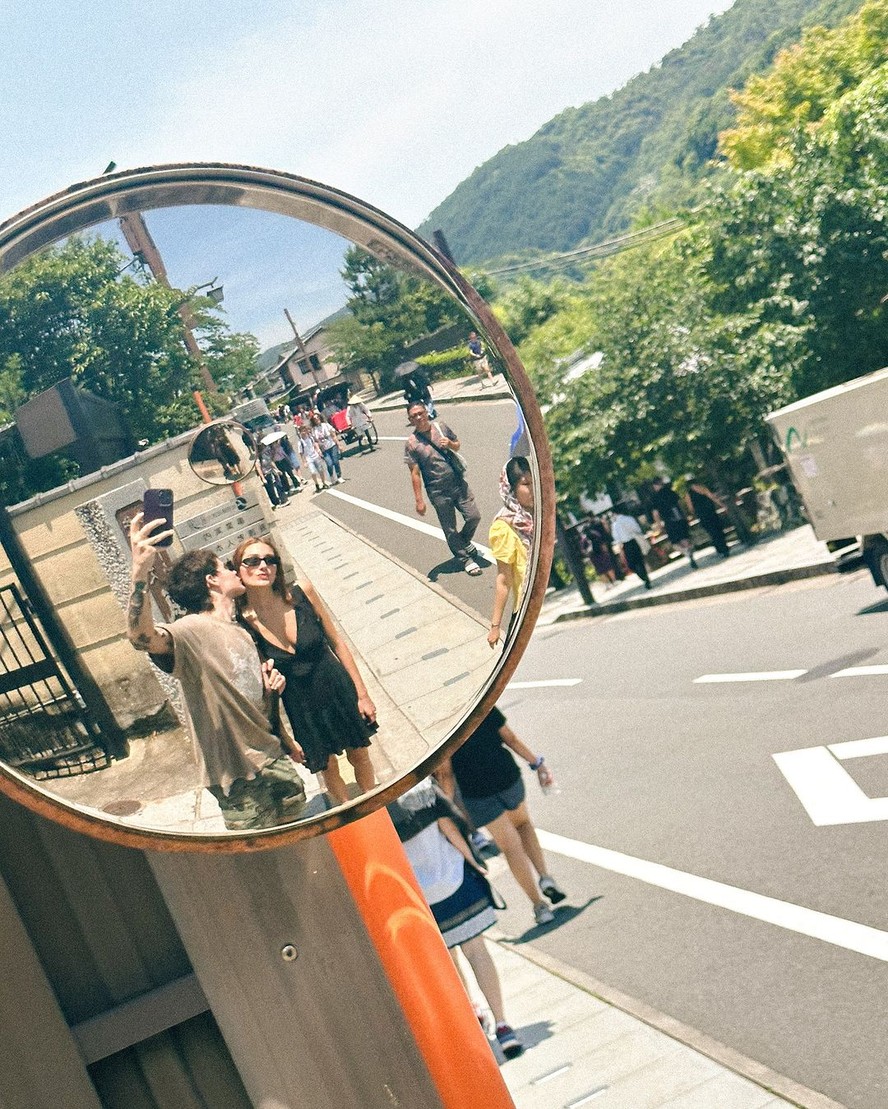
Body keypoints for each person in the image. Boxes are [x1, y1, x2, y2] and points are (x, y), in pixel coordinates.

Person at [126, 517, 307, 830]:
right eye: (225, 568)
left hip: (271, 755)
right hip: (235, 773)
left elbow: (253, 698)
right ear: (211, 581)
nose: (235, 571)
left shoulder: (241, 630)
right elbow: (141, 637)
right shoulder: (190, 631)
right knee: (265, 855)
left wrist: (283, 734)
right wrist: (140, 571)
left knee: (298, 828)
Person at [232, 536, 376, 807]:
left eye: (270, 560)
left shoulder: (301, 592)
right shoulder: (242, 623)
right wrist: (284, 736)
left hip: (335, 685)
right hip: (300, 704)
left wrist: (362, 694)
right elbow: (265, 686)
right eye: (251, 561)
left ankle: (376, 807)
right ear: (238, 569)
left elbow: (337, 642)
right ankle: (347, 815)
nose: (263, 566)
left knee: (360, 754)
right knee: (328, 767)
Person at [388, 779, 524, 1059]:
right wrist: (475, 864)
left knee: (449, 959)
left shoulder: (378, 808)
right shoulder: (421, 788)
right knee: (477, 951)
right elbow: (451, 829)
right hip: (455, 881)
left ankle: (473, 1014)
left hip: (424, 897)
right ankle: (502, 1024)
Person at [436, 705, 565, 928]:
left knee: (511, 847)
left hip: (477, 794)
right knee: (524, 825)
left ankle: (538, 905)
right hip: (507, 777)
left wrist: (444, 806)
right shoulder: (482, 704)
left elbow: (446, 773)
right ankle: (545, 877)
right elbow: (511, 738)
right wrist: (537, 762)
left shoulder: (442, 727)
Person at [405, 402, 482, 576]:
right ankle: (465, 559)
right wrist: (419, 500)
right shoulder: (411, 443)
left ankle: (462, 541)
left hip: (457, 482)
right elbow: (415, 473)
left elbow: (458, 444)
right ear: (410, 420)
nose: (418, 417)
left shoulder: (441, 427)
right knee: (450, 528)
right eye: (414, 416)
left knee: (474, 516)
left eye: (420, 413)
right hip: (437, 490)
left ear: (426, 412)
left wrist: (451, 444)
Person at [487, 456, 534, 647]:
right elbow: (504, 580)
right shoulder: (503, 527)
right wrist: (495, 626)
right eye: (525, 484)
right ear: (511, 489)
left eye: (534, 482)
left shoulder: (540, 514)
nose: (532, 490)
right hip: (526, 609)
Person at [650, 477, 697, 569]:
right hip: (679, 517)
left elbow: (656, 513)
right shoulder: (671, 492)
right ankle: (689, 551)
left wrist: (659, 525)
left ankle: (686, 552)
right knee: (684, 537)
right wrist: (686, 515)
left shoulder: (655, 498)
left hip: (669, 520)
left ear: (655, 486)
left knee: (675, 542)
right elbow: (680, 503)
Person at [610, 505, 652, 588]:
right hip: (635, 541)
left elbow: (617, 538)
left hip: (626, 545)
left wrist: (620, 549)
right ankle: (645, 576)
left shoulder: (615, 525)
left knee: (631, 564)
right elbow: (637, 529)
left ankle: (643, 577)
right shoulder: (629, 519)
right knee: (639, 560)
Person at [686, 478, 730, 558]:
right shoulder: (703, 488)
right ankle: (724, 547)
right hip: (711, 512)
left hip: (702, 515)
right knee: (718, 529)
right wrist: (722, 505)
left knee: (712, 532)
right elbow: (713, 497)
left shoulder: (688, 494)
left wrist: (694, 514)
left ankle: (720, 549)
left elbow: (690, 507)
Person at [583, 516, 619, 586]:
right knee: (608, 567)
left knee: (600, 570)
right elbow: (602, 543)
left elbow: (584, 550)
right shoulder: (595, 534)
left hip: (593, 556)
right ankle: (614, 581)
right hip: (601, 552)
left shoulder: (583, 539)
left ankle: (607, 584)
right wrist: (606, 551)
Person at [311, 413, 344, 485]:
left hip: (332, 446)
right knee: (329, 463)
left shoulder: (326, 425)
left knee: (335, 461)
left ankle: (339, 476)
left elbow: (333, 435)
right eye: (315, 419)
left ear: (320, 418)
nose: (317, 420)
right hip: (324, 449)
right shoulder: (314, 430)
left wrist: (339, 444)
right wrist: (318, 450)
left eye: (318, 418)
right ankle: (332, 477)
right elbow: (315, 442)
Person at [296, 424, 329, 492]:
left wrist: (318, 451)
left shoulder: (310, 438)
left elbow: (315, 444)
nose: (304, 432)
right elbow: (301, 453)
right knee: (313, 472)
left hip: (315, 456)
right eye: (302, 431)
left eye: (305, 431)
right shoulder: (300, 442)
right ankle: (316, 484)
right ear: (300, 432)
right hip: (309, 459)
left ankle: (323, 483)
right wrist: (304, 462)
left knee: (321, 470)